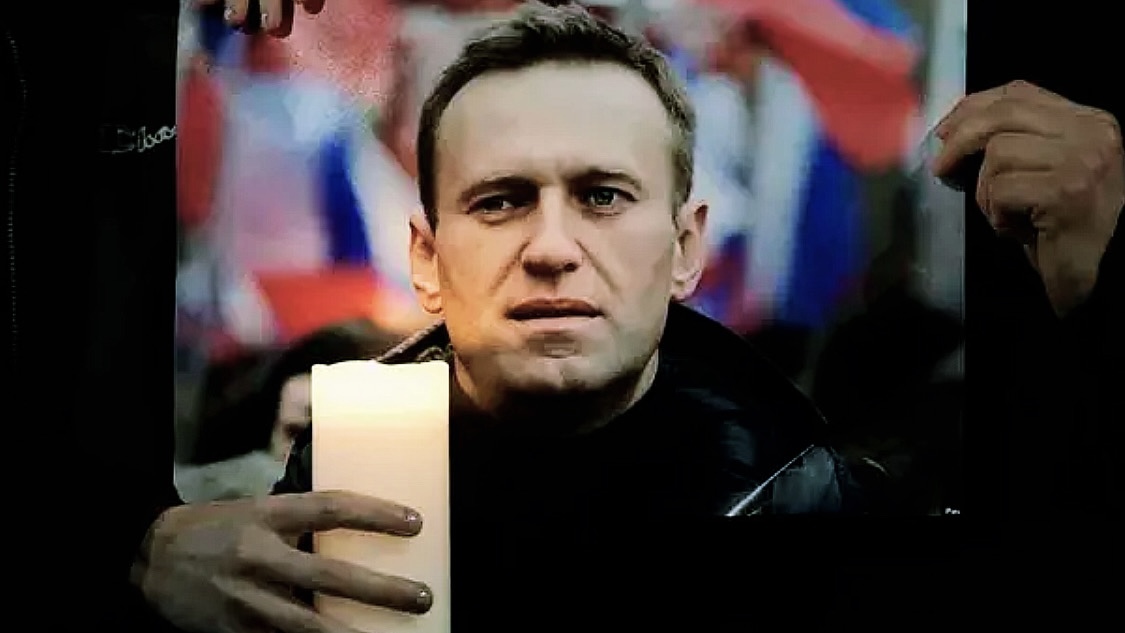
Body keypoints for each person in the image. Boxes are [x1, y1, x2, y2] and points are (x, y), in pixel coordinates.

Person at [4, 1, 1120, 632]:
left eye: (601, 195)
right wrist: (130, 565)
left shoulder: (851, 518)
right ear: (427, 261)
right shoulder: (271, 530)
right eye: (500, 200)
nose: (549, 243)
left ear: (686, 249)